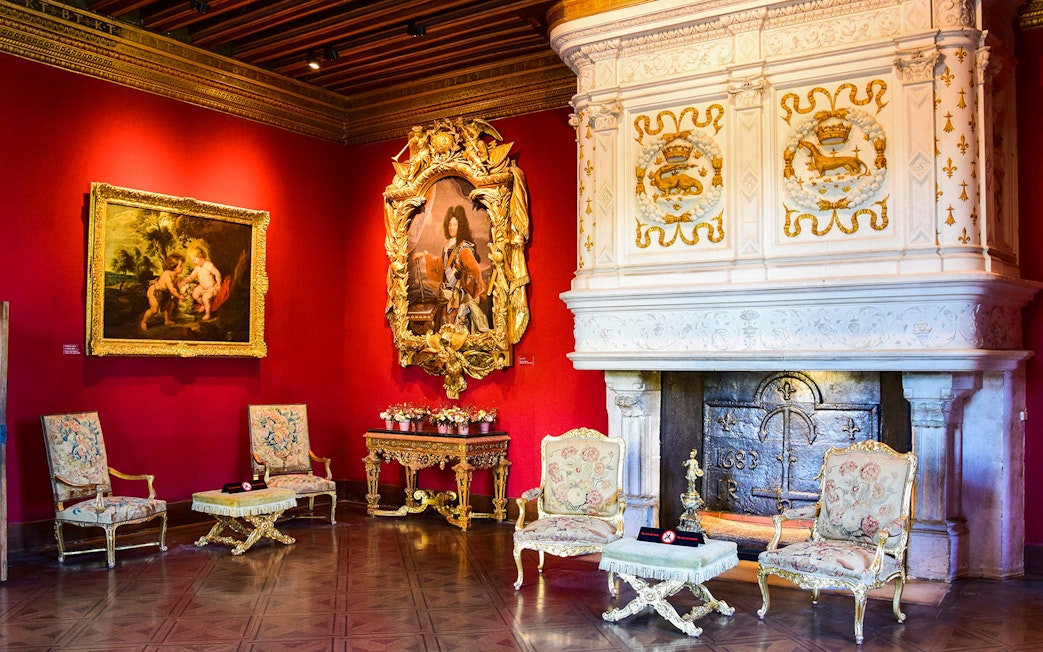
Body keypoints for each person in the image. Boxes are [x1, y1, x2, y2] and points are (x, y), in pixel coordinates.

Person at [438, 205, 488, 332]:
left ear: (461, 226)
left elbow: (474, 269)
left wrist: (462, 284)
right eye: (450, 224)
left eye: (455, 224)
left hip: (461, 295)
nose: (451, 227)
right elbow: (442, 267)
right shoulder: (446, 245)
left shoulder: (463, 247)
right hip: (447, 293)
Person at [140, 253, 185, 331]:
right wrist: (180, 296)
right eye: (180, 266)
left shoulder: (177, 277)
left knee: (171, 305)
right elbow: (172, 289)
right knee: (154, 310)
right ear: (173, 267)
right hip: (156, 292)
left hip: (165, 293)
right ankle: (143, 322)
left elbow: (179, 287)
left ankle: (167, 320)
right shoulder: (167, 274)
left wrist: (185, 289)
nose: (182, 268)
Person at [181, 244, 222, 321]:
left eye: (194, 260)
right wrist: (185, 281)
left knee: (205, 298)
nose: (193, 262)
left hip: (211, 288)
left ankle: (207, 314)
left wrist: (219, 284)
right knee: (194, 294)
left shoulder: (209, 265)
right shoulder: (197, 267)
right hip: (202, 287)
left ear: (200, 256)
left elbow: (217, 274)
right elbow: (192, 276)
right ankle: (203, 305)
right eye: (192, 260)